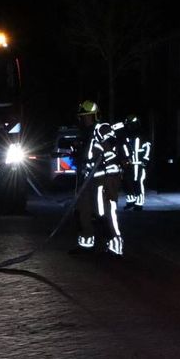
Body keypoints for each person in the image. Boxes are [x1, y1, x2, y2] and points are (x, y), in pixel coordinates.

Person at [73, 100, 124, 256]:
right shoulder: (84, 134)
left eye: (88, 116)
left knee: (105, 212)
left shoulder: (102, 128)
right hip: (88, 179)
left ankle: (115, 246)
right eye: (83, 117)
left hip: (104, 178)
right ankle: (86, 244)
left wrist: (110, 177)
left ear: (95, 116)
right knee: (84, 211)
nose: (85, 120)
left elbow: (111, 149)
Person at [121, 114, 151, 211]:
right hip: (129, 164)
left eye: (131, 124)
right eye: (128, 125)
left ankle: (139, 203)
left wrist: (145, 159)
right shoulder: (126, 137)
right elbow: (123, 149)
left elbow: (147, 147)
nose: (130, 127)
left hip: (139, 164)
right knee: (127, 183)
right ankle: (130, 201)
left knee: (138, 183)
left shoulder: (142, 136)